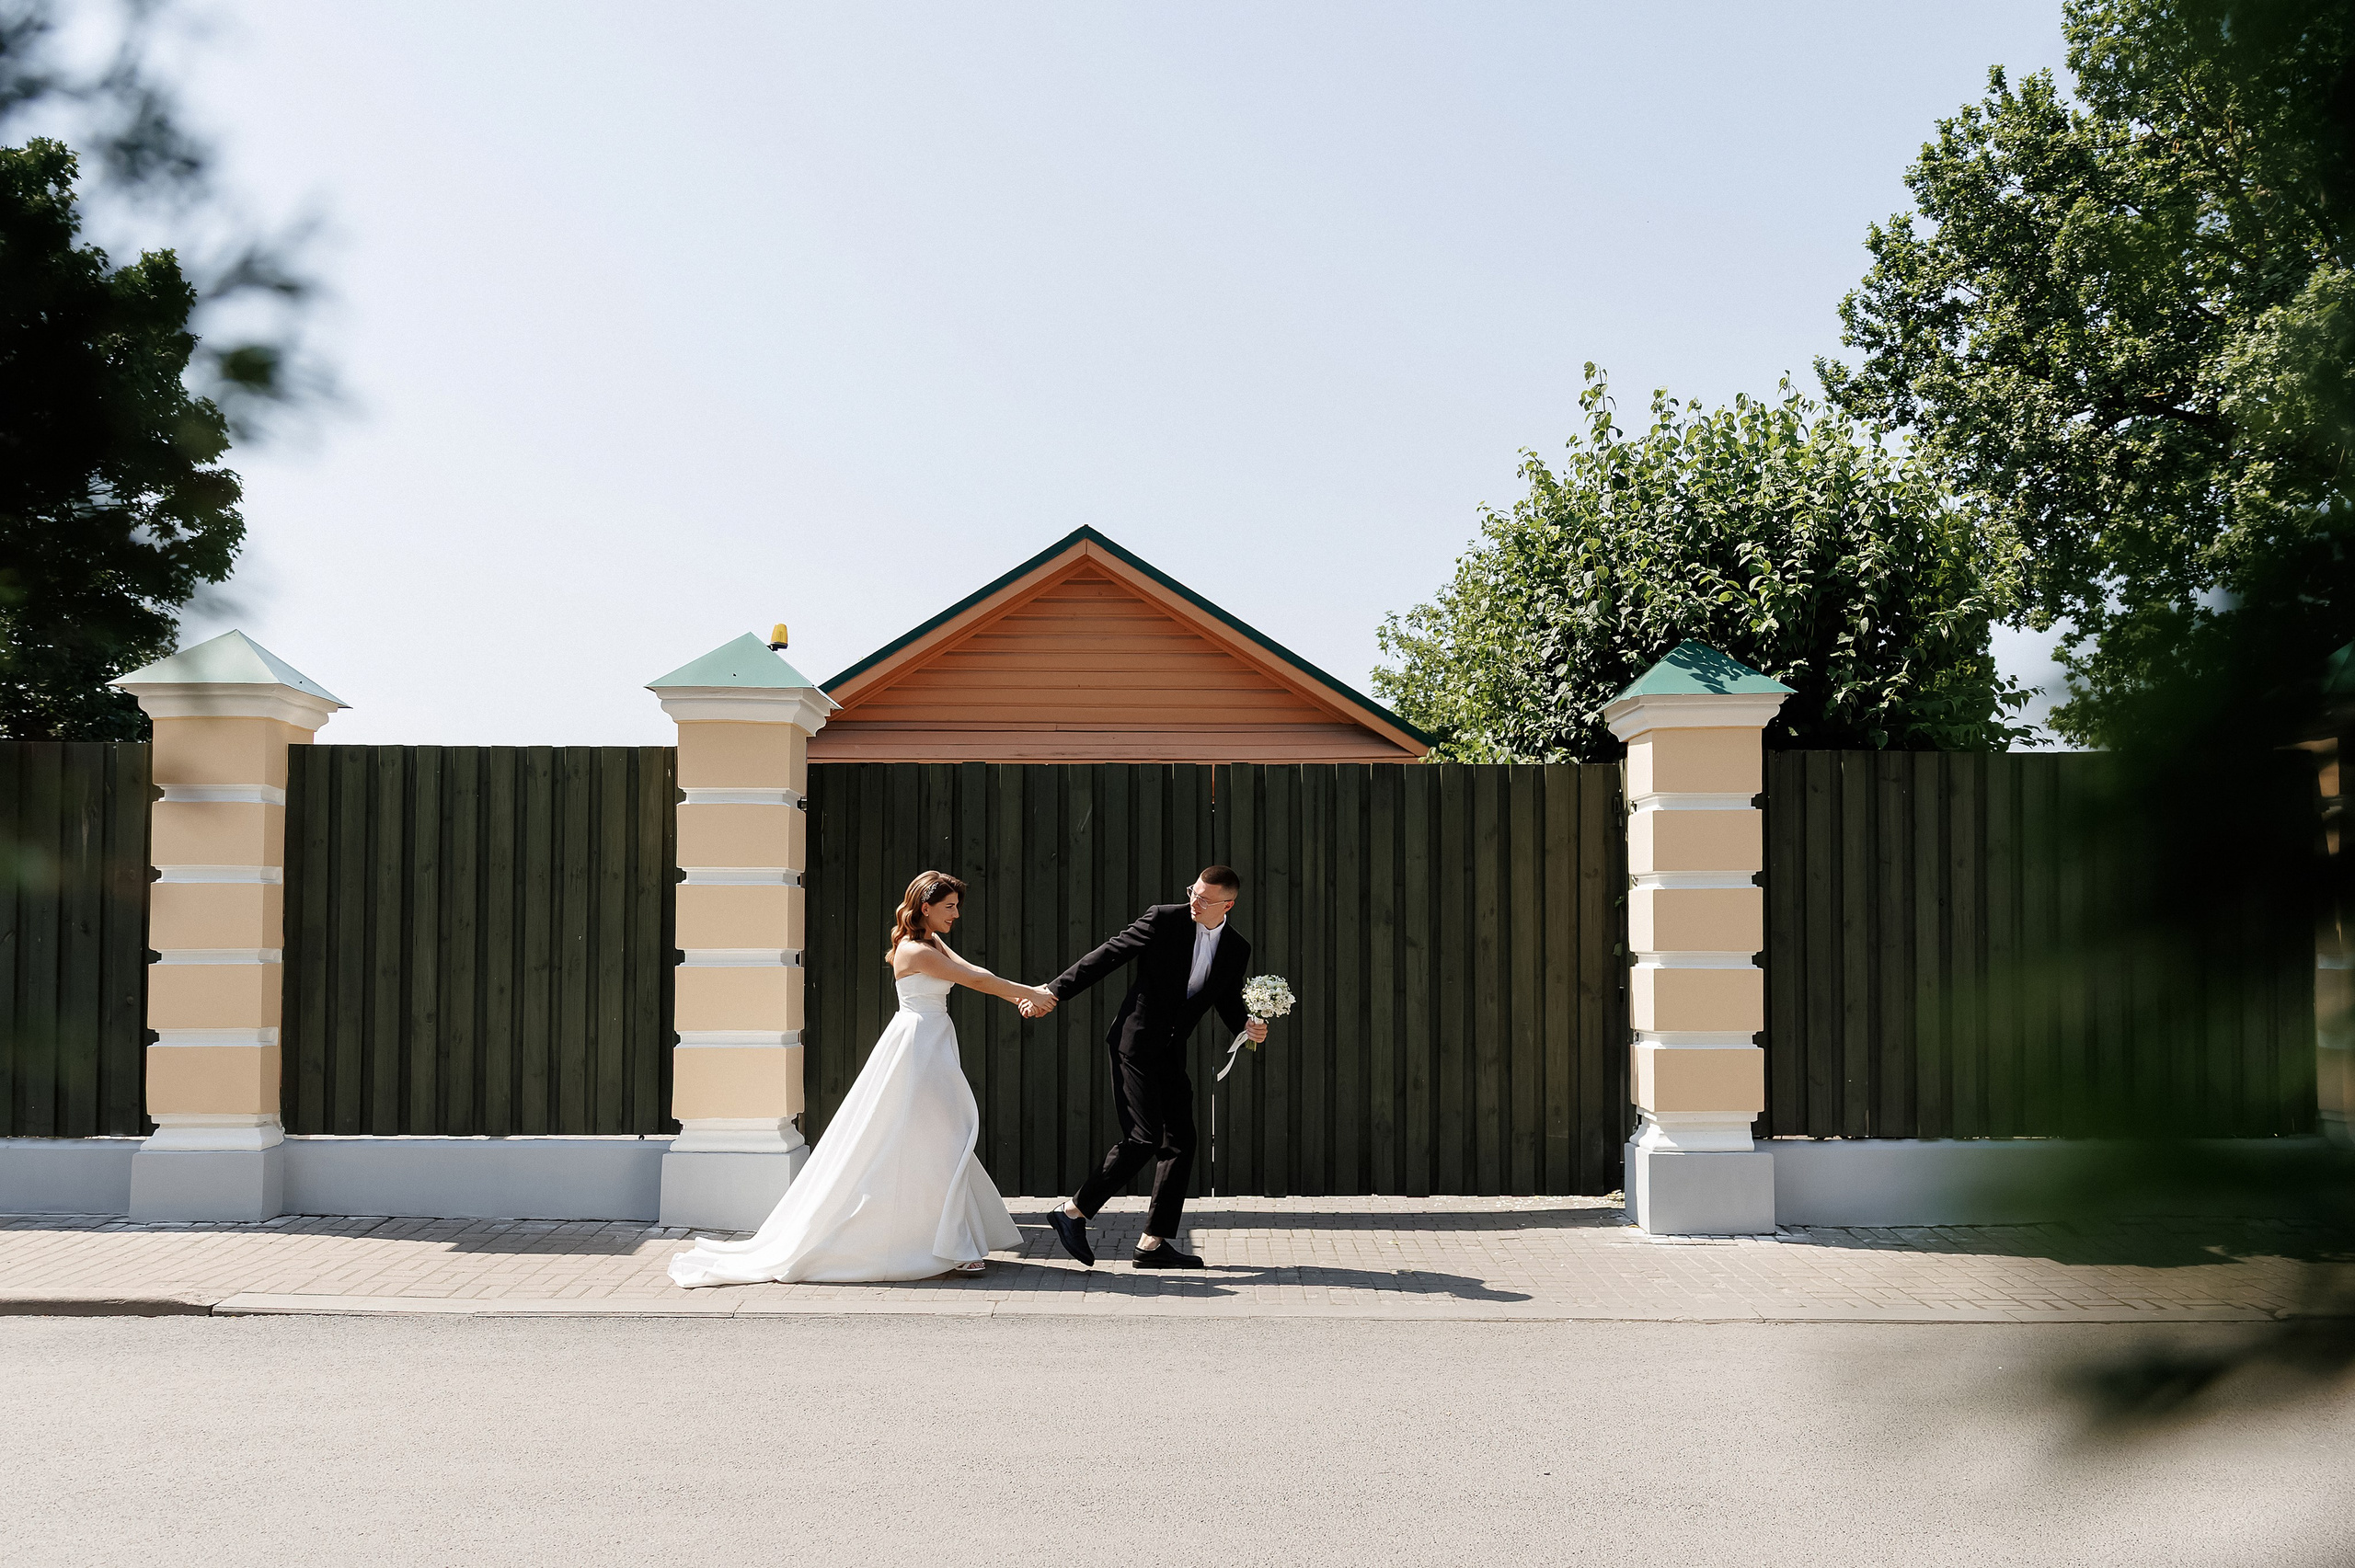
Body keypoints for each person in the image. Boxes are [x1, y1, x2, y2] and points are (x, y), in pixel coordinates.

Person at [668, 871, 1052, 1287]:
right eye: (949, 907)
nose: (956, 914)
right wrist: (1029, 991)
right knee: (938, 1134)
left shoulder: (930, 942)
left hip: (934, 1041)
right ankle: (951, 1245)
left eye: (956, 906)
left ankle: (953, 1240)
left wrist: (1020, 997)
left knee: (944, 1134)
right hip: (917, 1046)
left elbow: (970, 969)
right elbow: (974, 980)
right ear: (926, 908)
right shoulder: (912, 951)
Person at [1028, 865, 1268, 1270]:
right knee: (1143, 1137)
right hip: (1134, 1044)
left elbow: (1225, 997)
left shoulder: (1236, 947)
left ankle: (1152, 1244)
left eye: (1205, 899)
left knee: (1182, 1141)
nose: (1195, 901)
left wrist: (1247, 1023)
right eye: (1193, 891)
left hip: (1172, 1051)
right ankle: (1072, 1213)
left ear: (1228, 904)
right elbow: (1106, 956)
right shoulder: (1163, 919)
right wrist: (1052, 991)